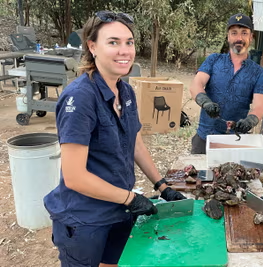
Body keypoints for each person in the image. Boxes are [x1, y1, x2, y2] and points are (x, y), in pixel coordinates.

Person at [43, 11, 185, 267]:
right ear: (92, 46)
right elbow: (74, 177)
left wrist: (162, 186)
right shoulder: (80, 98)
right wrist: (131, 198)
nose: (124, 50)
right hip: (85, 218)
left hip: (119, 209)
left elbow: (135, 143)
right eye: (113, 42)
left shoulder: (126, 90)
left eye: (128, 42)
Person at [189, 13, 263, 154]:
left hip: (235, 141)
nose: (239, 38)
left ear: (251, 37)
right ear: (228, 37)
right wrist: (205, 102)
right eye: (234, 33)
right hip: (205, 138)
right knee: (199, 175)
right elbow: (196, 84)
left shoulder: (259, 73)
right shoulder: (214, 60)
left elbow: (259, 106)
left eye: (244, 33)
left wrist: (250, 121)